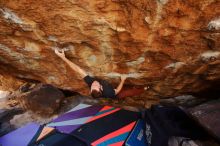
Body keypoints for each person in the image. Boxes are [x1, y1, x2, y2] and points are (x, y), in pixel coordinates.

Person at [55, 49, 127, 99]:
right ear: (101, 88)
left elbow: (78, 70)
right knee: (130, 92)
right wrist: (123, 80)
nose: (94, 83)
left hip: (105, 92)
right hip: (114, 94)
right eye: (96, 85)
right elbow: (117, 91)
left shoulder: (90, 83)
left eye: (93, 86)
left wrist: (63, 57)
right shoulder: (109, 91)